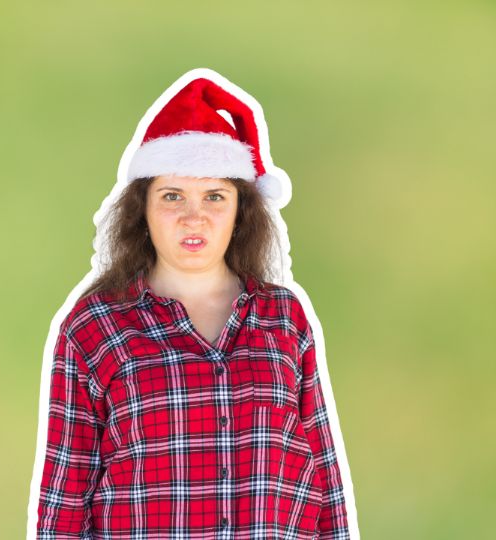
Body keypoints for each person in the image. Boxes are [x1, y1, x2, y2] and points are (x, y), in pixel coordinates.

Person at [31, 70, 353, 538]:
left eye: (215, 196)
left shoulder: (285, 317)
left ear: (241, 212)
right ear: (141, 209)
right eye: (172, 196)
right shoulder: (93, 327)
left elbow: (322, 473)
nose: (193, 215)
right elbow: (66, 490)